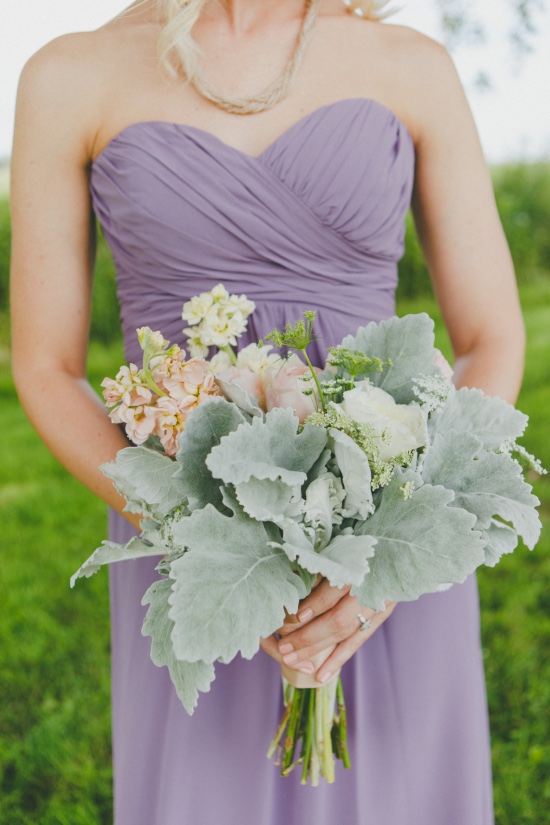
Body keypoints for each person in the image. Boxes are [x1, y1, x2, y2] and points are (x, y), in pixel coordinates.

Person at [10, 1, 525, 822]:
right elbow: (45, 365)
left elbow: (492, 335)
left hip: (388, 524)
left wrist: (390, 552)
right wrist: (215, 536)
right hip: (186, 537)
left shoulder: (410, 66)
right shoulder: (71, 75)